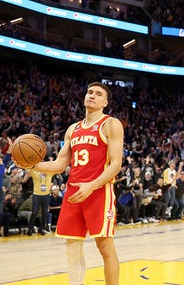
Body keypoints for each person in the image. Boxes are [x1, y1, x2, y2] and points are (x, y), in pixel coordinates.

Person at [32, 82, 124, 285]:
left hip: (99, 191)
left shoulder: (110, 124)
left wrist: (91, 185)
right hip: (74, 192)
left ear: (105, 102)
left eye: (98, 94)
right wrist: (32, 165)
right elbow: (59, 164)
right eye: (89, 92)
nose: (92, 95)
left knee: (105, 248)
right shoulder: (73, 129)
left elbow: (115, 165)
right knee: (72, 247)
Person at [27, 169, 54, 235]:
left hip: (46, 195)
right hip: (37, 195)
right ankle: (30, 229)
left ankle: (42, 229)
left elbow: (57, 169)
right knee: (34, 212)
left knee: (45, 213)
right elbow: (29, 170)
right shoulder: (36, 174)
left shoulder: (49, 174)